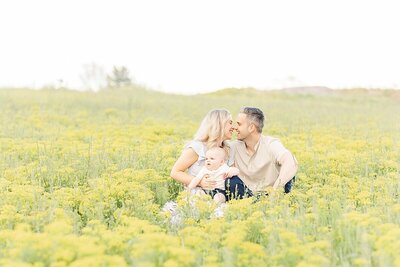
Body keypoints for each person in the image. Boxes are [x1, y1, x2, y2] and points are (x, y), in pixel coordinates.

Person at [226, 107, 298, 200]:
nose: (235, 127)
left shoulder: (271, 144)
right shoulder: (234, 147)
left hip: (271, 196)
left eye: (239, 124)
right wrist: (201, 181)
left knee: (288, 176)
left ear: (251, 127)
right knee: (230, 181)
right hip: (246, 197)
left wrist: (275, 191)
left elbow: (290, 161)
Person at [170, 108, 235, 197]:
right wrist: (200, 182)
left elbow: (232, 178)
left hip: (221, 195)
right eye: (230, 123)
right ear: (219, 124)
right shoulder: (198, 147)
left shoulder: (228, 149)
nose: (233, 127)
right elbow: (175, 172)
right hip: (199, 196)